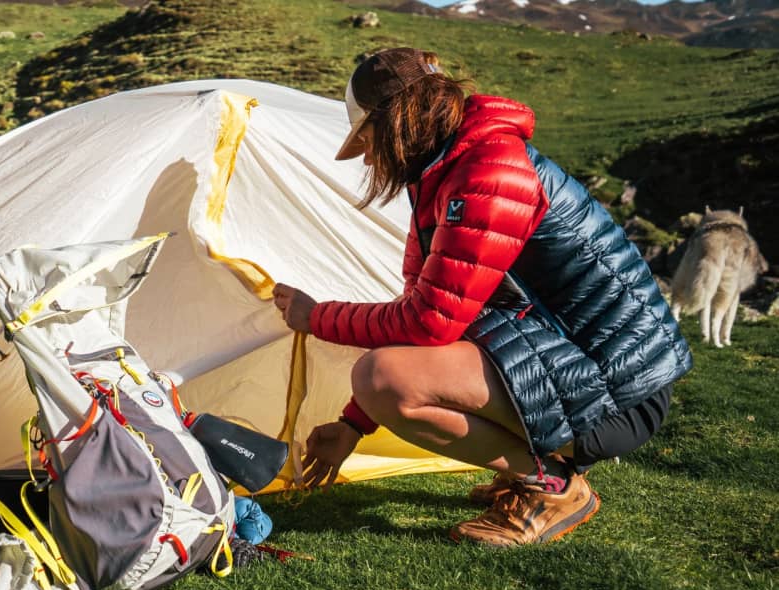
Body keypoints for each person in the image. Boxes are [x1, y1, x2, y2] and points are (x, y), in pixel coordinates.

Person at [272, 48, 692, 546]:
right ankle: (530, 467)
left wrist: (315, 316)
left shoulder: (490, 171)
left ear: (394, 124)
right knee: (385, 375)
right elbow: (434, 319)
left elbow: (429, 324)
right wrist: (353, 425)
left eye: (365, 138)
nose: (365, 156)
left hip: (619, 393)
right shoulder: (446, 171)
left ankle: (550, 484)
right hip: (576, 366)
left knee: (381, 376)